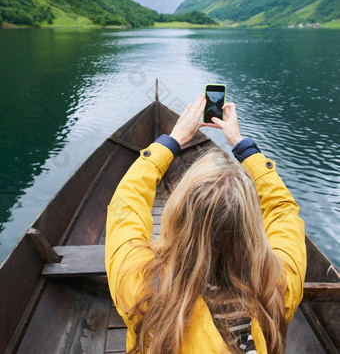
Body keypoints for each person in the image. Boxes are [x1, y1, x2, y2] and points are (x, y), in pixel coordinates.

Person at [105, 96, 306, 354]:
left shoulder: (137, 284)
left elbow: (125, 204)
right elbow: (283, 209)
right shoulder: (278, 287)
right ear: (251, 229)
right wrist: (241, 145)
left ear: (176, 218)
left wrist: (172, 141)